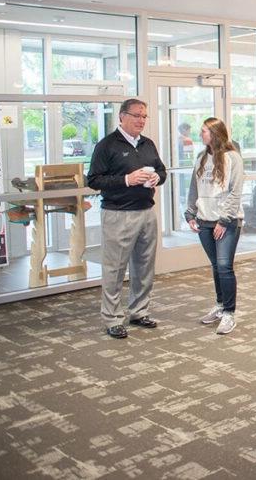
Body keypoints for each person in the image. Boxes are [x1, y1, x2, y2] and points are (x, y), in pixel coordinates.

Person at [87, 99, 167, 339]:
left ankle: (139, 311)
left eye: (144, 116)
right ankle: (112, 318)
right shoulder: (107, 145)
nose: (141, 120)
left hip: (145, 212)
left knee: (144, 266)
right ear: (122, 116)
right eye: (136, 116)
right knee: (115, 269)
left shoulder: (147, 144)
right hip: (118, 213)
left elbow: (161, 171)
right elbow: (93, 180)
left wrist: (157, 179)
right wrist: (126, 180)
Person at [184, 117, 244, 336]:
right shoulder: (201, 157)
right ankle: (220, 306)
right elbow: (194, 187)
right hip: (204, 220)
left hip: (226, 221)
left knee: (225, 266)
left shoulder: (232, 158)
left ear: (215, 133)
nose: (201, 135)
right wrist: (190, 213)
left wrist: (223, 221)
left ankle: (229, 313)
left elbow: (235, 192)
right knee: (216, 266)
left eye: (204, 132)